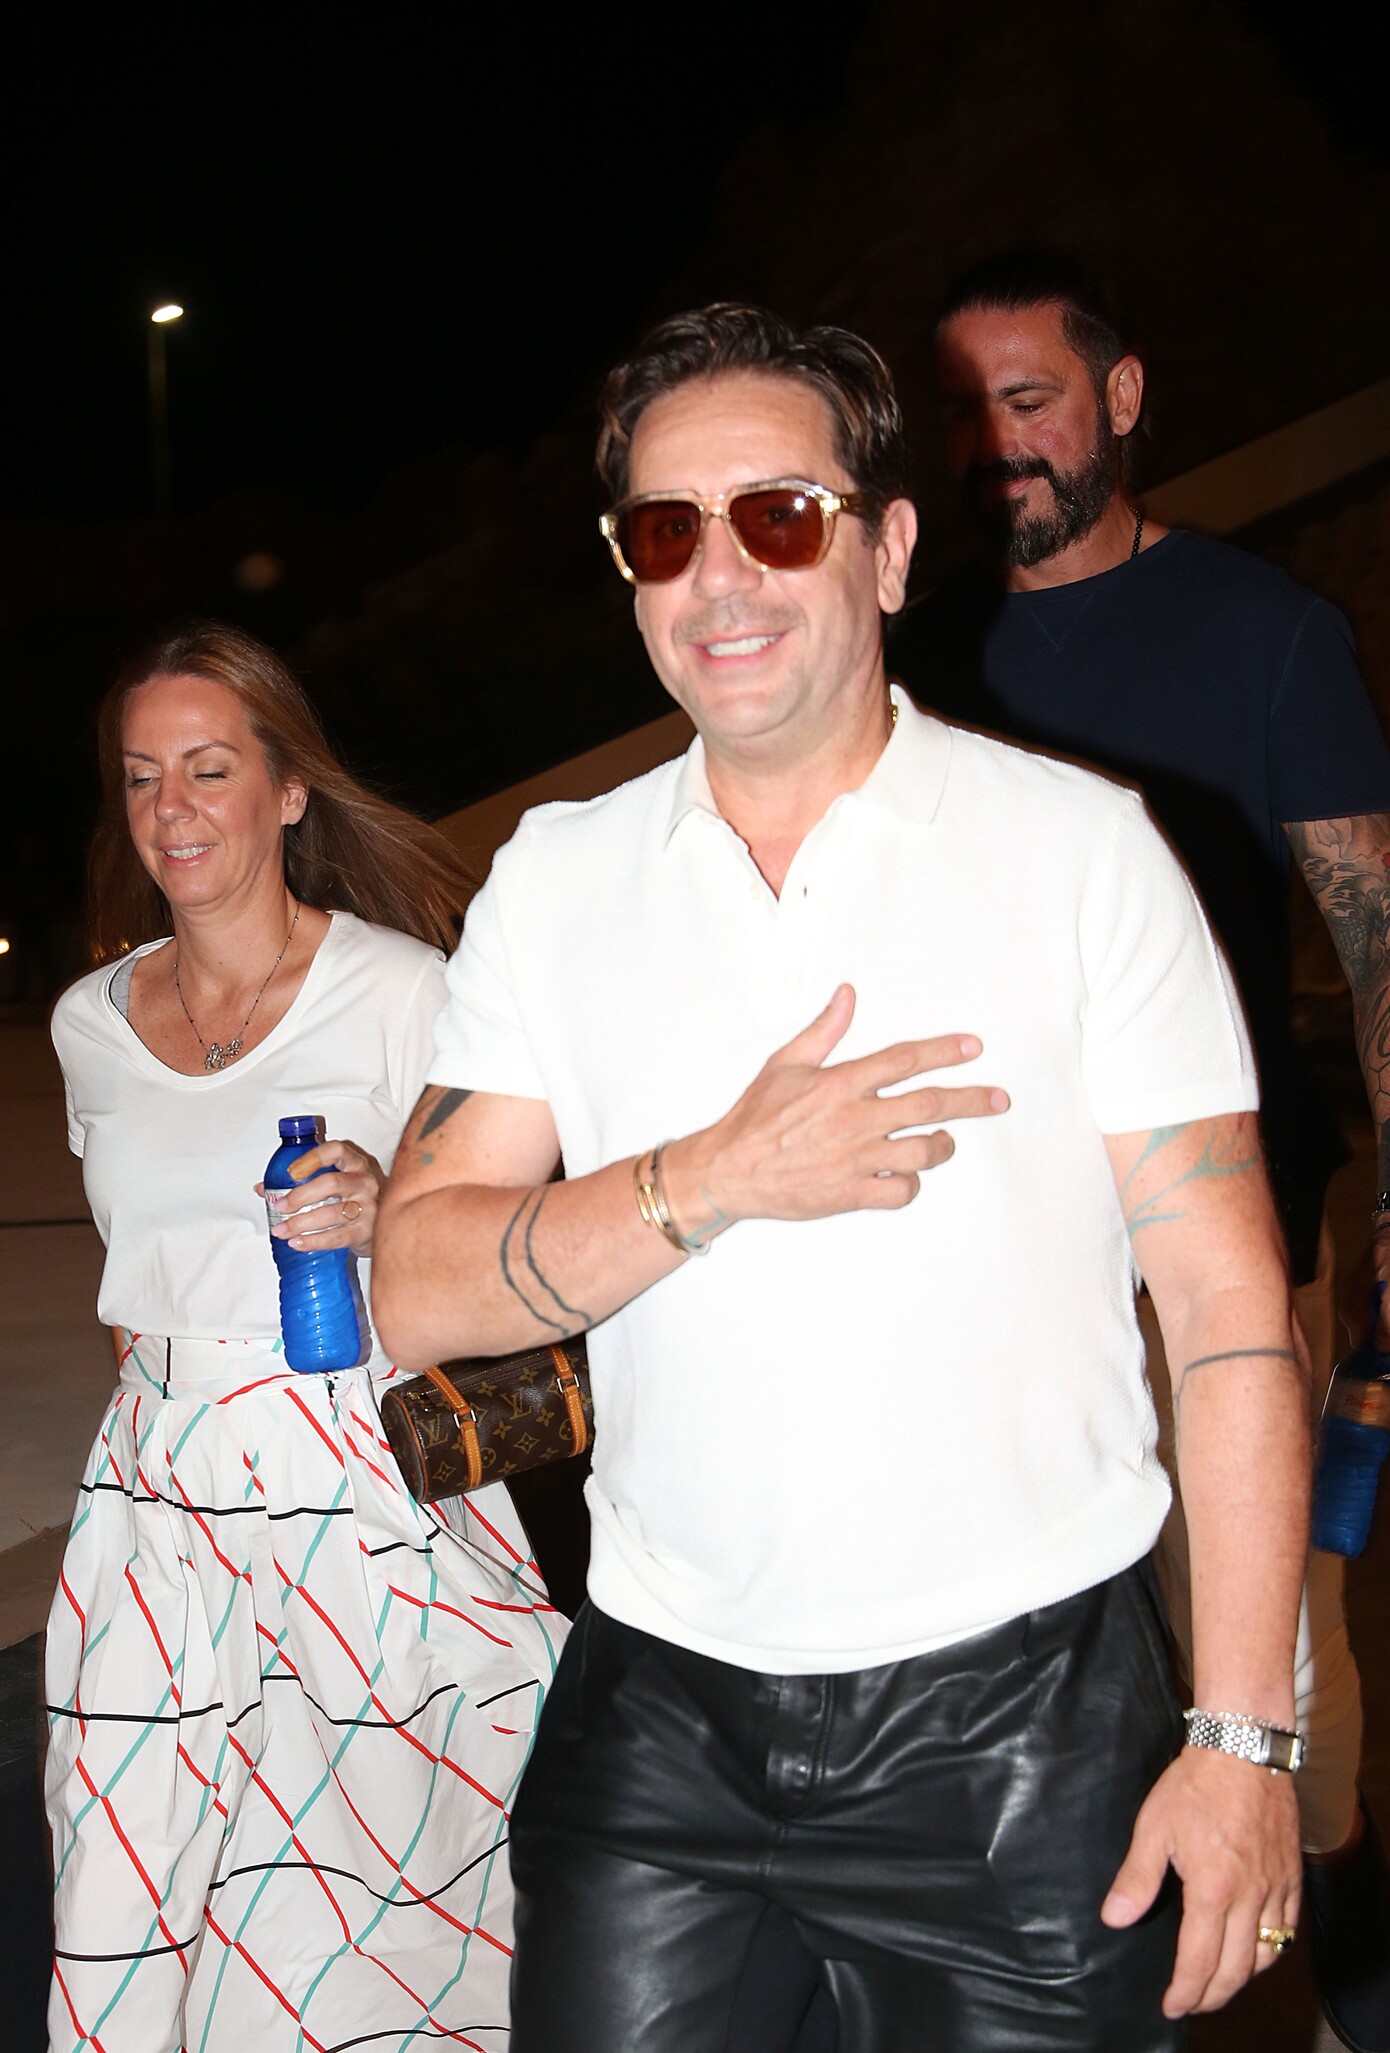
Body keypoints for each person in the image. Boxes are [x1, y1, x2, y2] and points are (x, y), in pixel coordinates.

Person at [375, 304, 1311, 2051]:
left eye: (777, 515)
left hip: (1019, 1727)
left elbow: (1228, 1311)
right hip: (657, 1710)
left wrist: (1244, 1736)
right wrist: (708, 1176)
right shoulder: (559, 877)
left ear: (883, 550)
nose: (719, 574)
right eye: (665, 530)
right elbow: (414, 1285)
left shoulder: (1079, 852)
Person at [892, 250, 1390, 2053]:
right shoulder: (915, 656)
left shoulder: (1267, 633)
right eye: (965, 416)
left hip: (1217, 1238)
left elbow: (1372, 937)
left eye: (1028, 402)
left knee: (1262, 1657)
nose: (996, 448)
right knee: (1031, 1659)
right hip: (990, 1238)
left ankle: (1327, 1977)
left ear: (1118, 396)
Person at [46, 623, 565, 2053]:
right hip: (158, 1502)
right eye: (142, 776)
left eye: (209, 769)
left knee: (365, 1917)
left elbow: (512, 1236)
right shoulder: (90, 1021)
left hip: (361, 1486)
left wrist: (393, 1210)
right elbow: (135, 1273)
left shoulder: (402, 990)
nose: (171, 809)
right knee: (129, 1879)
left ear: (288, 790)